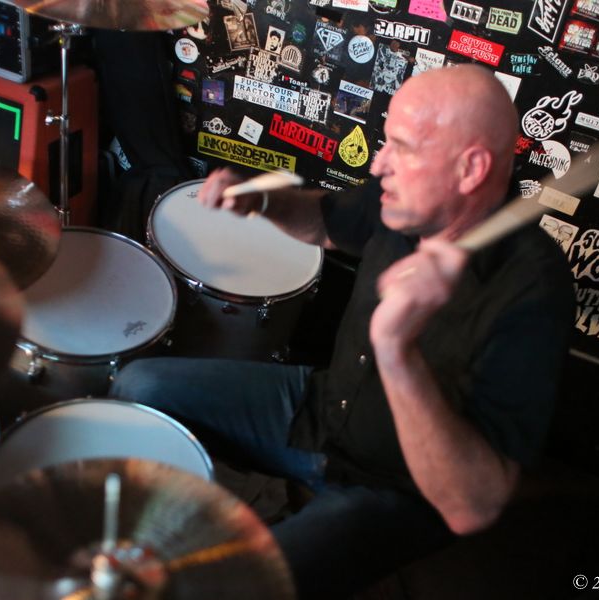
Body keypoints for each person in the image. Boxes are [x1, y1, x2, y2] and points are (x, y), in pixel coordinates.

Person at [110, 65, 574, 598]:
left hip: (397, 487)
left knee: (246, 583)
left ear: (470, 169)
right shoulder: (403, 200)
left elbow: (473, 507)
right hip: (322, 408)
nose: (379, 163)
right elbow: (326, 224)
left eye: (402, 148)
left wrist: (397, 351)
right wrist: (262, 201)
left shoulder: (532, 289)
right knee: (137, 387)